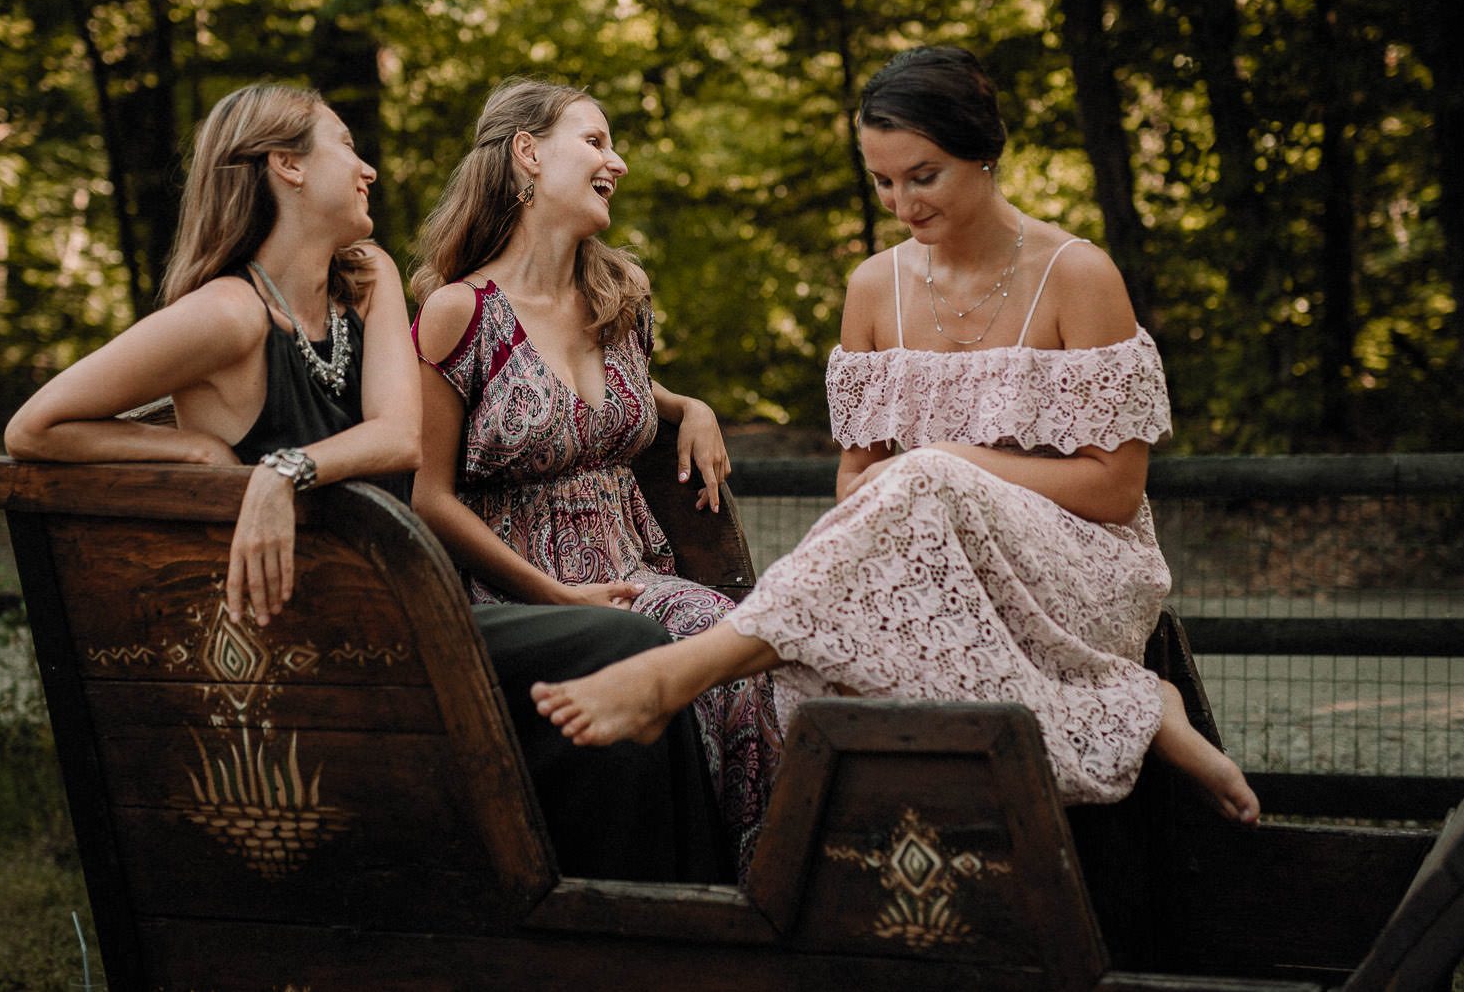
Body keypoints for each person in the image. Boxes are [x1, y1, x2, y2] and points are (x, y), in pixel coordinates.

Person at [4, 82, 726, 882]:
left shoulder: (367, 277)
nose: (369, 168)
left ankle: (665, 903)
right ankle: (644, 905)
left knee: (631, 655)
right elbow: (34, 427)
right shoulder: (226, 316)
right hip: (319, 625)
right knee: (620, 642)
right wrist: (198, 459)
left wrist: (284, 471)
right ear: (287, 166)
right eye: (345, 145)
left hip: (414, 603)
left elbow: (395, 432)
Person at [531, 47, 1261, 827]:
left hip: (1077, 567)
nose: (902, 202)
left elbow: (1116, 491)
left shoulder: (1078, 274)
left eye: (924, 175)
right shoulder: (873, 288)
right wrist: (930, 481)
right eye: (883, 181)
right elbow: (857, 483)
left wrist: (952, 464)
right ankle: (1140, 704)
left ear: (984, 150)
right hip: (927, 559)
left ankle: (673, 676)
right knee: (850, 624)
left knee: (925, 479)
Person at [410, 78, 779, 868]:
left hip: (637, 569)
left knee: (752, 649)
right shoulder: (460, 313)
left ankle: (758, 890)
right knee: (703, 641)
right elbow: (429, 496)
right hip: (520, 592)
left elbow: (608, 402)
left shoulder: (619, 296)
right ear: (528, 152)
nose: (618, 160)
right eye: (597, 140)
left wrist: (691, 407)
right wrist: (554, 596)